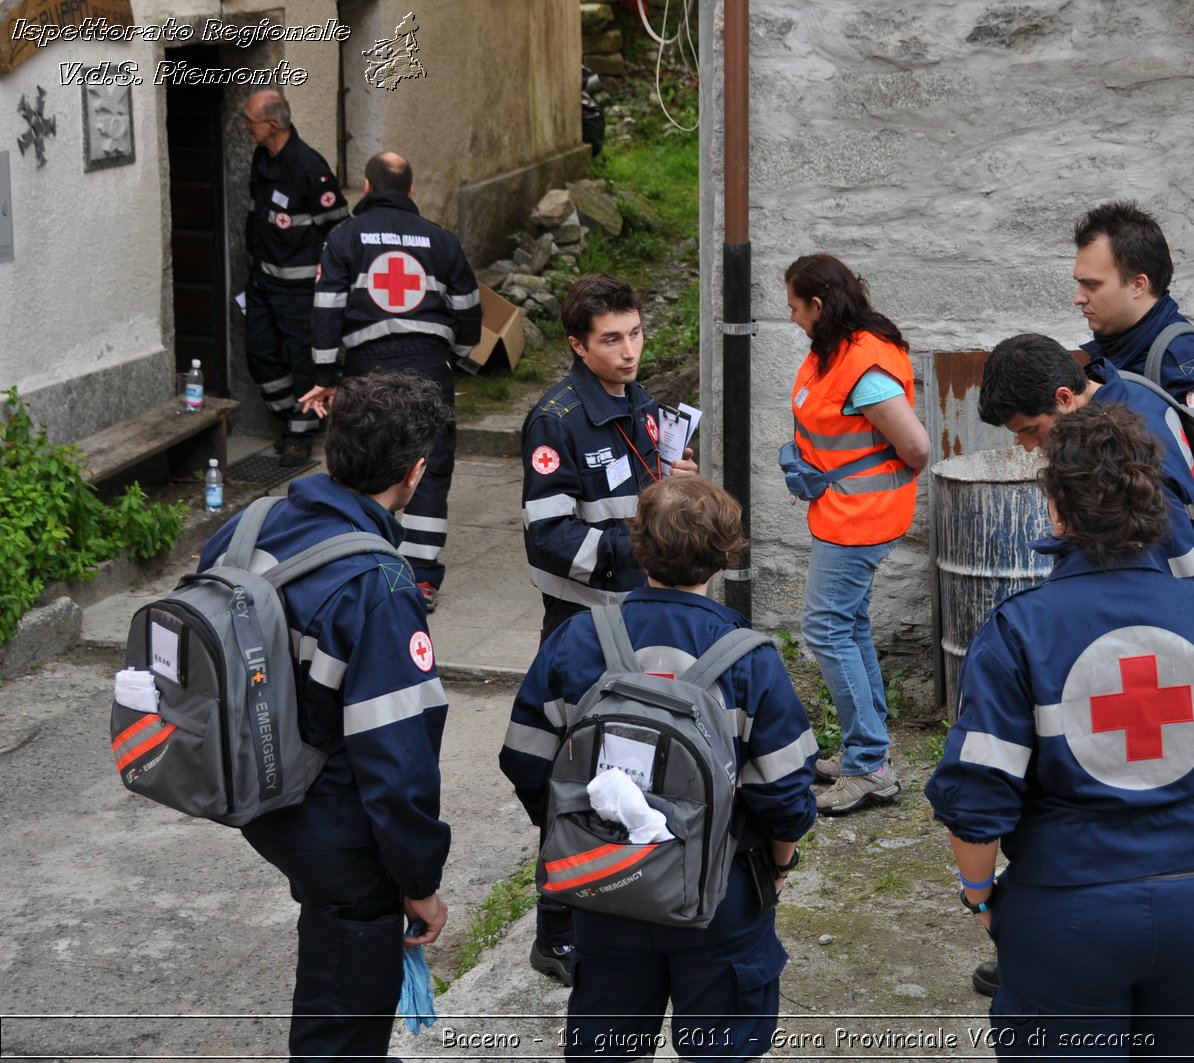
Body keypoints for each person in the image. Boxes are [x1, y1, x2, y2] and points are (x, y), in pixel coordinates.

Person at [925, 404, 1194, 1057]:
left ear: (1058, 508)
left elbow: (976, 805)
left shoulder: (1019, 630)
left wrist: (979, 895)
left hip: (1066, 912)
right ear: (1153, 502)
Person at [500, 476, 818, 1062]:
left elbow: (525, 760)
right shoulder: (750, 660)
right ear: (727, 552)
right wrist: (779, 865)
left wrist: (588, 832)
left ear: (637, 545)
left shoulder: (577, 639)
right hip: (720, 898)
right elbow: (785, 796)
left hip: (605, 890)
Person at [198, 371, 451, 1061]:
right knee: (340, 1022)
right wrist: (419, 881)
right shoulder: (381, 584)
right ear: (417, 472)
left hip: (254, 788)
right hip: (334, 827)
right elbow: (396, 763)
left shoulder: (244, 528)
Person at [518, 272, 697, 982]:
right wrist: (649, 548)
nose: (630, 351)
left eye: (636, 333)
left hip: (639, 613)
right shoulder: (555, 420)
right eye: (612, 340)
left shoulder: (644, 404)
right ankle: (556, 930)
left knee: (631, 766)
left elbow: (644, 494)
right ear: (577, 346)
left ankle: (623, 893)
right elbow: (548, 538)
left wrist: (675, 479)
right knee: (573, 777)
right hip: (582, 623)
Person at [784, 253, 930, 816]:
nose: (793, 318)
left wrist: (872, 482)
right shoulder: (838, 350)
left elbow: (915, 447)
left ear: (819, 306)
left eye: (796, 308)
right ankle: (865, 748)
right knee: (846, 623)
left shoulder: (864, 367)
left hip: (860, 515)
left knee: (823, 628)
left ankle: (869, 764)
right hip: (846, 509)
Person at [305, 151, 482, 612]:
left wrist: (325, 375)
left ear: (366, 187)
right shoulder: (441, 241)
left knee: (363, 462)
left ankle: (361, 566)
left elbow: (326, 310)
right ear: (411, 191)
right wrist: (455, 358)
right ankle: (420, 581)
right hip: (430, 366)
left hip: (366, 368)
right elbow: (469, 314)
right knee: (430, 467)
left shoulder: (343, 237)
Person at [979, 332, 1194, 583]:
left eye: (1031, 430)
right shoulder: (1132, 390)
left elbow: (1187, 575)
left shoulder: (1130, 458)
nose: (1029, 447)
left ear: (1064, 397)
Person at [240, 89, 348, 466]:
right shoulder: (262, 158)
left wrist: (330, 287)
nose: (244, 128)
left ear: (272, 124)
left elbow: (338, 232)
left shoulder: (309, 168)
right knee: (260, 354)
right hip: (261, 284)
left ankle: (300, 434)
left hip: (301, 291)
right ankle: (294, 418)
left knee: (306, 362)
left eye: (249, 121)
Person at [1072, 201, 1194, 413]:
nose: (1079, 298)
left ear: (1138, 285)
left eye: (1092, 285)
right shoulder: (1117, 347)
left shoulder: (1186, 364)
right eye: (1079, 283)